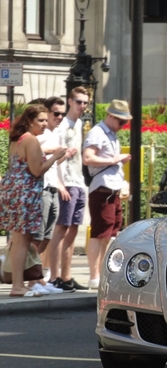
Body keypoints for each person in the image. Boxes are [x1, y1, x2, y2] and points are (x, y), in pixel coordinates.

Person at [0, 105, 68, 297]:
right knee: (22, 241)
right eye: (41, 120)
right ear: (30, 121)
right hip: (25, 194)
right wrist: (55, 156)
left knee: (19, 240)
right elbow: (37, 170)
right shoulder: (31, 140)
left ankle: (18, 284)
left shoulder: (18, 139)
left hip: (13, 193)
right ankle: (18, 286)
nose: (45, 123)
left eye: (46, 120)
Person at [82, 99, 133, 290]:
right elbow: (88, 158)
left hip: (111, 189)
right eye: (121, 121)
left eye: (124, 122)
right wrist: (114, 159)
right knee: (100, 233)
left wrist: (117, 163)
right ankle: (95, 276)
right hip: (102, 189)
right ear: (110, 116)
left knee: (109, 233)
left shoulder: (110, 134)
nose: (123, 126)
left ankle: (102, 273)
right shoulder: (98, 132)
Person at [47, 86, 90, 292]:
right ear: (70, 101)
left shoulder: (79, 123)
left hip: (79, 181)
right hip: (66, 182)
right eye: (79, 101)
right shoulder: (62, 125)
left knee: (73, 229)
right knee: (61, 229)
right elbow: (56, 158)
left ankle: (66, 275)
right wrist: (60, 183)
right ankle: (54, 275)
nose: (82, 106)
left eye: (85, 102)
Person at [35, 97, 78, 283]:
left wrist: (64, 156)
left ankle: (37, 278)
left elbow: (53, 163)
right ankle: (32, 280)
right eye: (56, 113)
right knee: (38, 237)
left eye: (62, 113)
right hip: (43, 188)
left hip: (52, 186)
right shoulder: (42, 135)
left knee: (46, 237)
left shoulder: (54, 134)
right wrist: (55, 151)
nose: (59, 117)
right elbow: (36, 151)